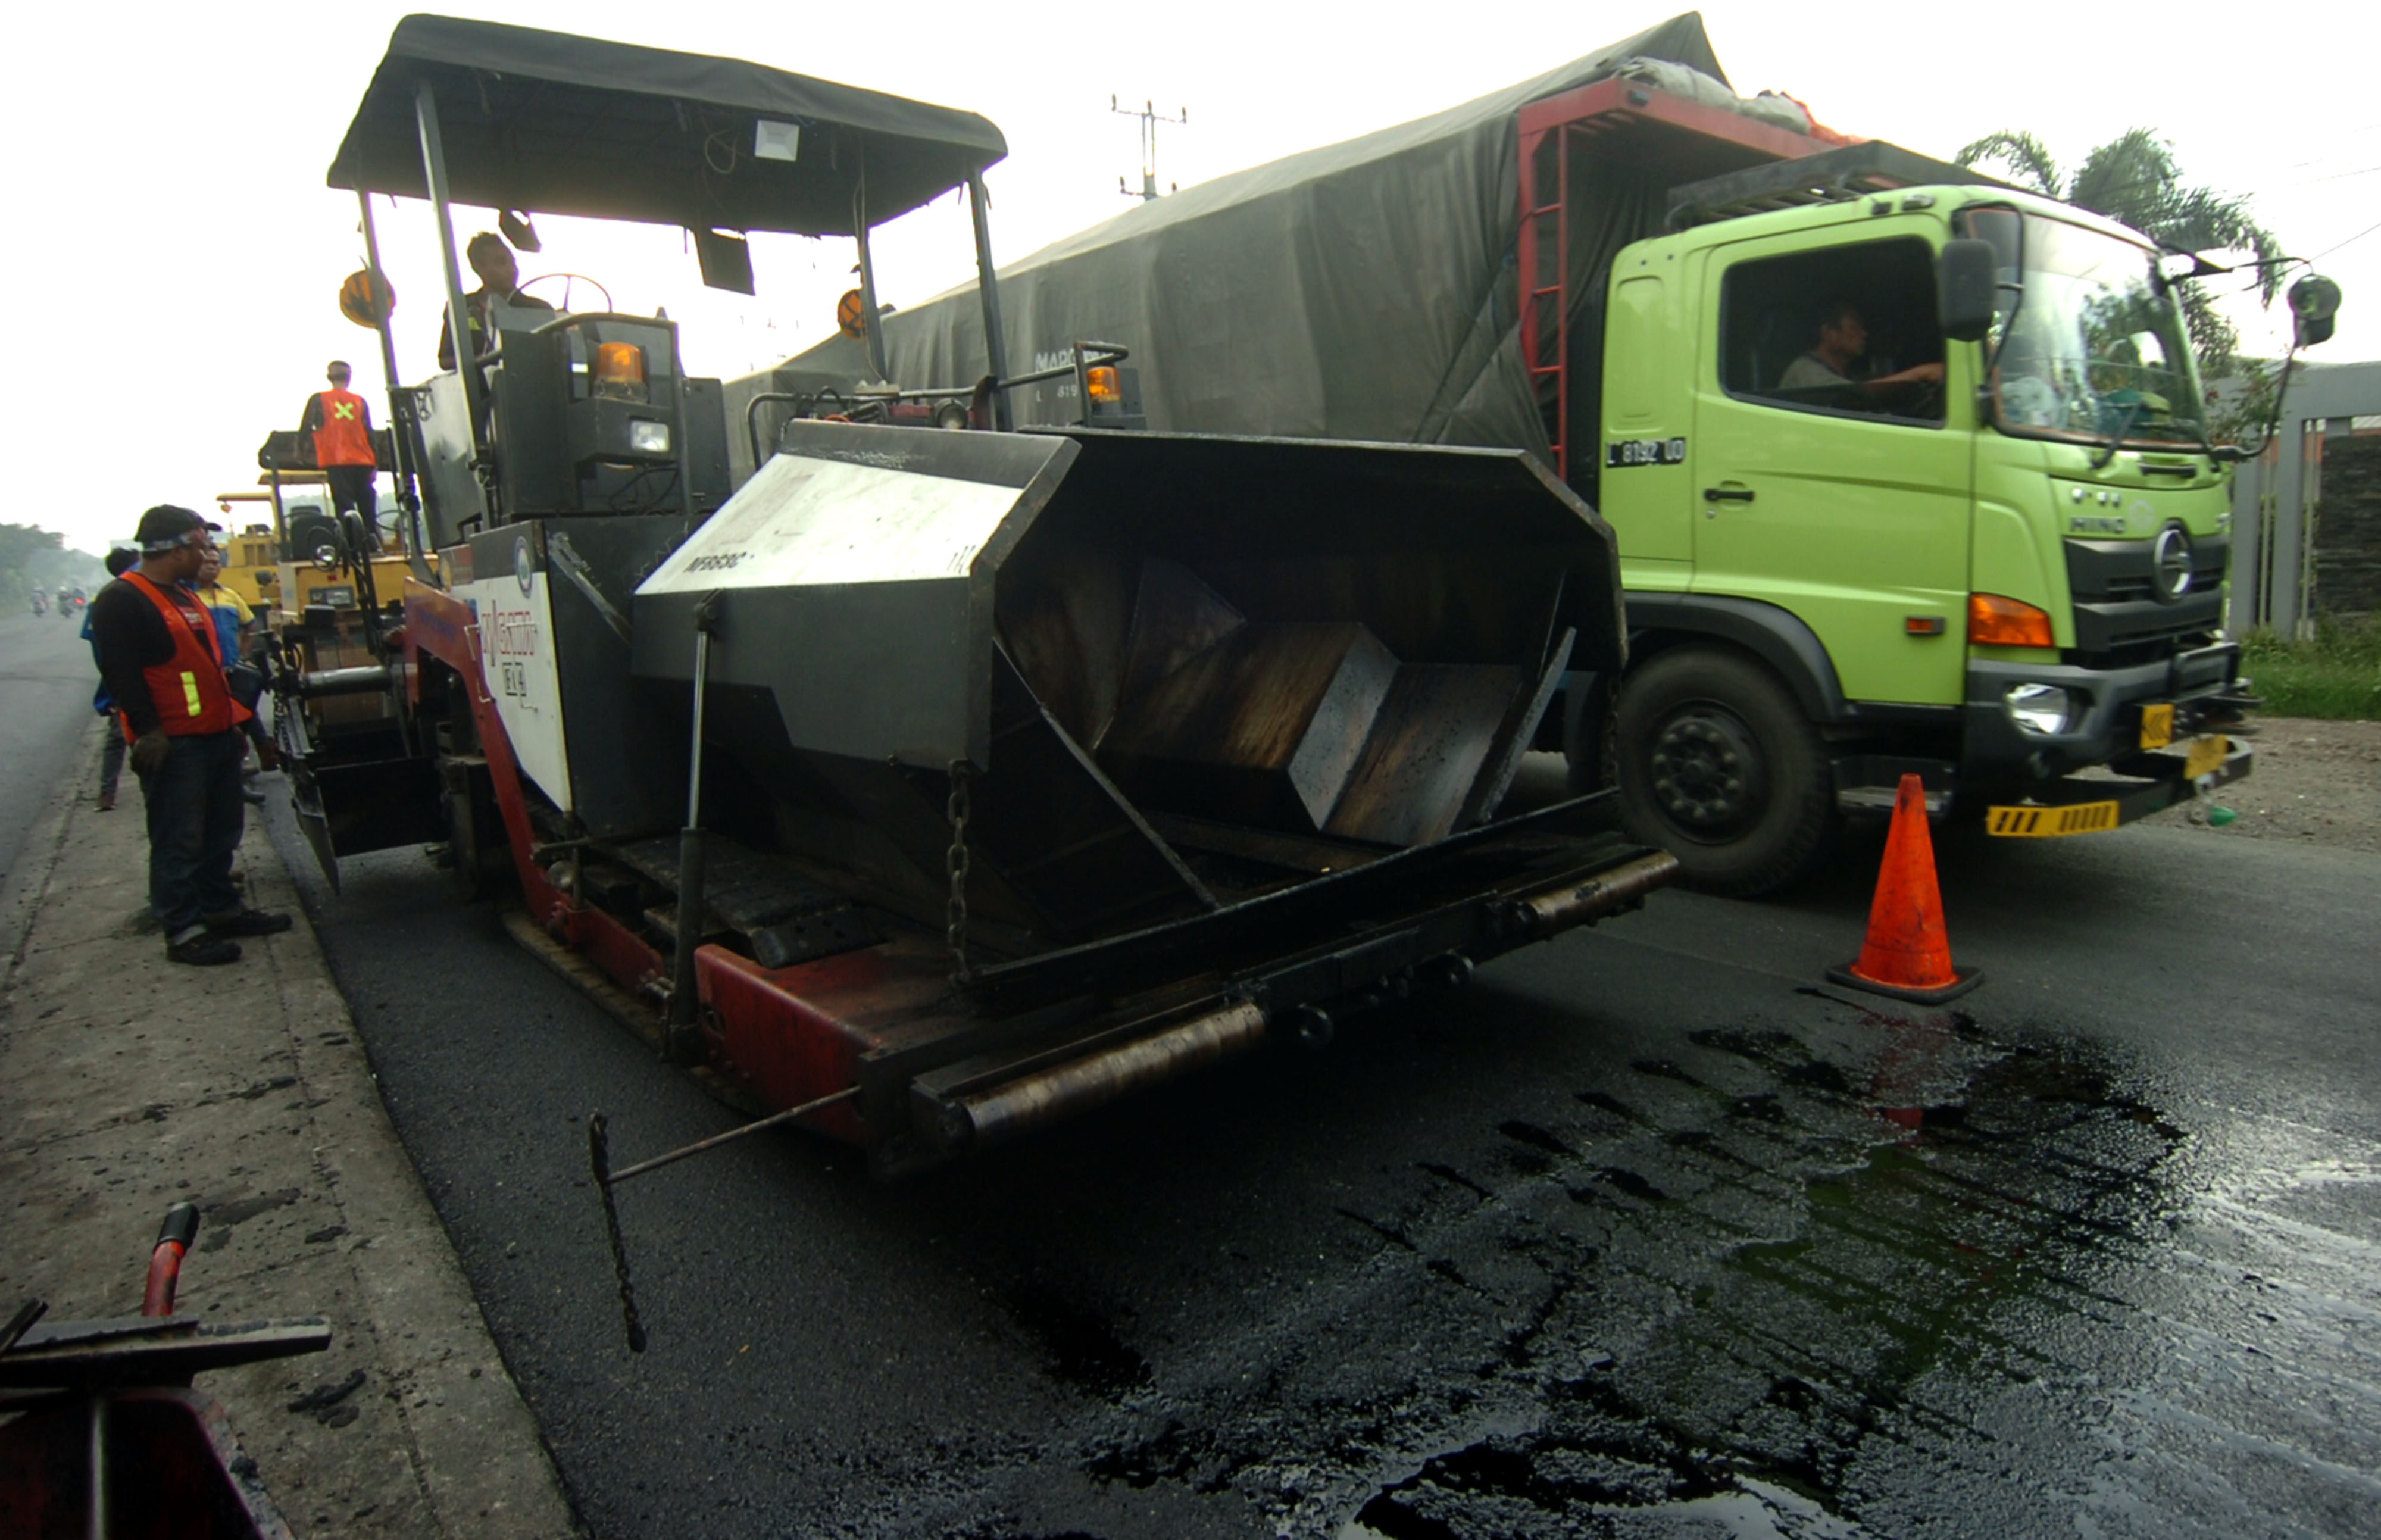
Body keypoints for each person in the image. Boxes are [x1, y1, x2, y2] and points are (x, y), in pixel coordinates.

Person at [88, 506, 292, 966]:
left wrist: (237, 726)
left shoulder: (185, 595)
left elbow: (205, 669)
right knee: (178, 839)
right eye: (200, 546)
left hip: (214, 734)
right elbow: (121, 674)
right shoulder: (123, 599)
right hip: (175, 743)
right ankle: (184, 930)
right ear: (175, 549)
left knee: (221, 830)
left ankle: (220, 908)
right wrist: (148, 733)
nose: (207, 553)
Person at [188, 545, 279, 804]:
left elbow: (249, 626)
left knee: (240, 717)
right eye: (207, 562)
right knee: (223, 726)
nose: (213, 567)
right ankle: (240, 773)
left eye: (217, 563)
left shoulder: (230, 596)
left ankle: (247, 766)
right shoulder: (188, 597)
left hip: (230, 668)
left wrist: (242, 654)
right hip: (205, 675)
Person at [1776, 301, 1945, 400]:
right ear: (1829, 334)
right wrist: (1923, 373)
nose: (1864, 334)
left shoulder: (1850, 374)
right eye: (1854, 327)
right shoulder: (1804, 370)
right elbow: (1854, 396)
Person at [435, 232, 555, 371]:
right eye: (502, 263)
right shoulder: (461, 308)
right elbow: (445, 360)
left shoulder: (539, 309)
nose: (512, 269)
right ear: (478, 269)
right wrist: (482, 362)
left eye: (513, 262)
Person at [82, 548, 140, 810]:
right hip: (127, 677)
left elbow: (97, 647)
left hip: (118, 678)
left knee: (118, 737)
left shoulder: (104, 597)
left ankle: (107, 793)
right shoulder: (122, 596)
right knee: (122, 734)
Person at [300, 361, 380, 530]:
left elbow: (306, 429)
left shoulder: (318, 400)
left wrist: (301, 454)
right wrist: (375, 464)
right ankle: (374, 544)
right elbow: (370, 433)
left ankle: (352, 547)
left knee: (345, 507)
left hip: (336, 460)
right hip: (363, 460)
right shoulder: (360, 401)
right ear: (349, 378)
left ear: (329, 377)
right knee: (368, 507)